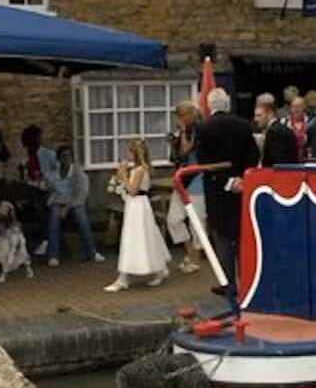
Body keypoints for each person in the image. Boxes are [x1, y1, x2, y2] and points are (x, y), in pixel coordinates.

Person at [196, 88, 260, 292]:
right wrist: (241, 178)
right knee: (242, 234)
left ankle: (228, 283)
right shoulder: (243, 125)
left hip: (217, 190)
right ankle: (247, 281)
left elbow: (204, 163)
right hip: (243, 188)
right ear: (227, 103)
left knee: (221, 236)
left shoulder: (204, 128)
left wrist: (227, 181)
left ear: (209, 106)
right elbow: (253, 155)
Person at [103, 139, 170, 292]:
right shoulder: (136, 169)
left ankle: (123, 278)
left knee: (137, 238)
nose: (128, 154)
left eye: (130, 151)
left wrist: (123, 176)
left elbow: (133, 190)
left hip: (138, 206)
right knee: (144, 237)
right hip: (135, 205)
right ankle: (159, 270)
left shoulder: (140, 170)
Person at [46, 146, 104, 267]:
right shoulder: (53, 174)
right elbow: (50, 190)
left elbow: (81, 196)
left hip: (74, 203)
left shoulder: (79, 175)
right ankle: (53, 255)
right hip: (58, 202)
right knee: (54, 217)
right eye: (63, 156)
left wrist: (67, 208)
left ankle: (92, 251)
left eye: (69, 156)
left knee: (80, 216)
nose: (66, 159)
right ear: (59, 159)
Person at [165, 100, 205, 275]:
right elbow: (176, 155)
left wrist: (182, 131)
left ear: (188, 115)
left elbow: (185, 149)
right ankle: (189, 253)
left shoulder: (198, 129)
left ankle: (195, 259)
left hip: (197, 180)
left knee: (197, 223)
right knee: (173, 219)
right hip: (182, 181)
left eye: (180, 116)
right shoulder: (184, 131)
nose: (178, 119)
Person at [19, 125, 57, 256]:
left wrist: (45, 179)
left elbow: (58, 175)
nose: (39, 140)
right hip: (33, 190)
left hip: (49, 191)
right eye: (35, 138)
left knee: (43, 205)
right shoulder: (25, 158)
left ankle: (46, 240)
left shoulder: (49, 155)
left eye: (38, 138)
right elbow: (24, 178)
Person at [0, 201, 32, 282]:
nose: (3, 209)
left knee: (9, 254)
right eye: (1, 207)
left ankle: (5, 273)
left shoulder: (13, 221)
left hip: (8, 241)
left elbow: (16, 230)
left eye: (5, 208)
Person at [254, 93, 298, 166]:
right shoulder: (284, 129)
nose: (256, 119)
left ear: (270, 114)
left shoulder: (273, 132)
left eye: (259, 116)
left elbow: (278, 163)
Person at [282, 96, 309, 162]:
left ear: (305, 108)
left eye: (299, 107)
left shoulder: (310, 122)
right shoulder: (283, 122)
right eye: (293, 107)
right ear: (290, 109)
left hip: (306, 159)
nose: (296, 109)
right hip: (288, 159)